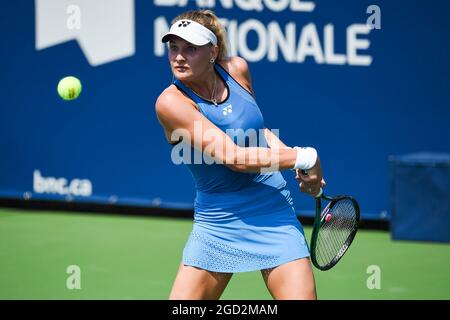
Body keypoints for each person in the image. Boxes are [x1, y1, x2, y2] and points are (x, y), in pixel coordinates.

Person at [155, 9, 325, 300]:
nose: (179, 57)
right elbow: (235, 158)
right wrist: (304, 157)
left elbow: (259, 133)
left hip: (273, 213)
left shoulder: (237, 70)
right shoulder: (170, 102)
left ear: (213, 52)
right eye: (173, 48)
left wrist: (293, 162)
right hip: (217, 222)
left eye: (190, 49)